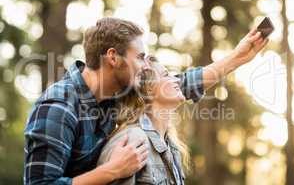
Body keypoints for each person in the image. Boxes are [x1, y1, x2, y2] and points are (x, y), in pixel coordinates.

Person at [24, 16, 268, 185]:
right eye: (140, 57)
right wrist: (110, 171)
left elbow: (171, 86)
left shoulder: (113, 96)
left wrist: (237, 58)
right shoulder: (59, 106)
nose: (144, 66)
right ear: (113, 57)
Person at [98, 57, 189, 185]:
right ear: (149, 88)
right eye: (166, 75)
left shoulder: (172, 146)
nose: (178, 80)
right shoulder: (133, 140)